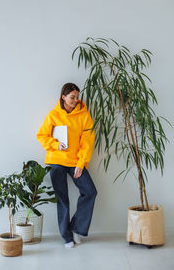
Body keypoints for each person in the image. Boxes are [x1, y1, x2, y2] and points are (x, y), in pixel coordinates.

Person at [36, 82, 97, 248]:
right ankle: (66, 236)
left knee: (90, 192)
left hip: (75, 162)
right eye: (72, 97)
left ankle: (77, 229)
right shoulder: (53, 115)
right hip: (56, 161)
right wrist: (56, 144)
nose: (75, 100)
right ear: (63, 97)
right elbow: (41, 135)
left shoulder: (84, 115)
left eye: (77, 97)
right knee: (62, 199)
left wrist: (81, 163)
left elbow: (87, 142)